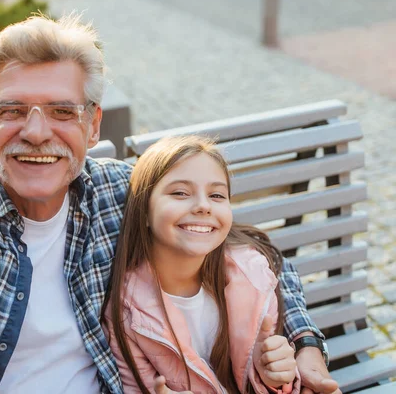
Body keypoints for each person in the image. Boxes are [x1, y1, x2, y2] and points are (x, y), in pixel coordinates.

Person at [0, 13, 340, 394]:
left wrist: (305, 342)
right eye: (12, 110)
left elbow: (250, 253)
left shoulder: (117, 193)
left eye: (61, 111)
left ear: (92, 123)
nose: (37, 133)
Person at [103, 135, 299, 393]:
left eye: (217, 195)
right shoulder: (126, 311)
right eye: (180, 193)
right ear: (145, 211)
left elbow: (268, 377)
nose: (203, 206)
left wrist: (274, 379)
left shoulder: (253, 277)